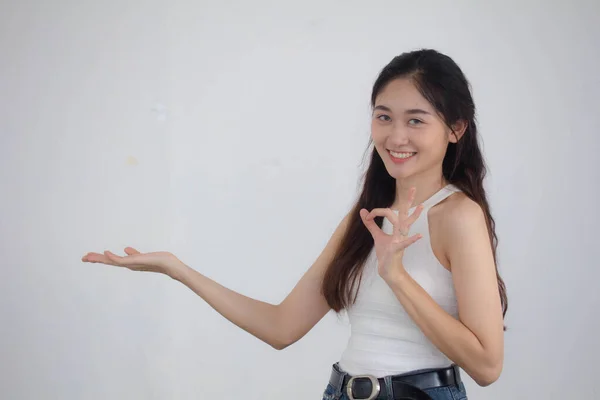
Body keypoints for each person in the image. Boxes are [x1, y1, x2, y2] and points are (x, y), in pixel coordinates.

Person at [82, 48, 507, 400]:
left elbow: (487, 365)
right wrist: (178, 270)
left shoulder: (457, 215)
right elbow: (282, 327)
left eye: (416, 120)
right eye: (383, 117)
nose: (396, 137)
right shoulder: (366, 219)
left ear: (455, 129)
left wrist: (396, 276)